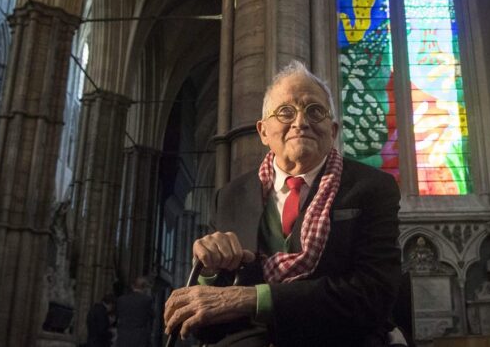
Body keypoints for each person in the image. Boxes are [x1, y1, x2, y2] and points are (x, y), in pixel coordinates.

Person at [164, 61, 401, 346]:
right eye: (285, 112)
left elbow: (374, 296)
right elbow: (206, 327)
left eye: (315, 111)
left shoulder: (372, 187)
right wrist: (210, 273)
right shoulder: (230, 197)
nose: (301, 122)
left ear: (333, 130)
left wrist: (253, 298)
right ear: (263, 131)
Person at [116, 277, 154, 347]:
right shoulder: (147, 300)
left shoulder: (121, 300)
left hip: (123, 337)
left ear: (133, 286)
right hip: (140, 338)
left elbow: (117, 317)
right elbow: (150, 320)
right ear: (144, 287)